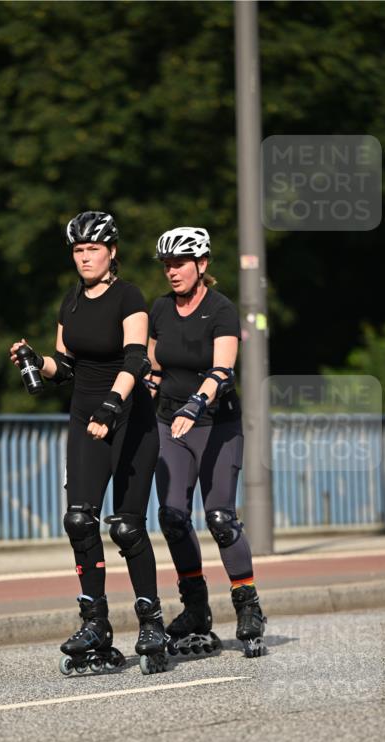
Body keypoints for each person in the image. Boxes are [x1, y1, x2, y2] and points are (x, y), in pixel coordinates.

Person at [10, 211, 168, 675]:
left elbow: (137, 358)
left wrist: (112, 406)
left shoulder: (129, 296)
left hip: (130, 419)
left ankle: (151, 621)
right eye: (78, 251)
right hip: (86, 417)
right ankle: (95, 623)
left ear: (112, 251)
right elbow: (67, 366)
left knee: (127, 527)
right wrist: (35, 361)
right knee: (79, 521)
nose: (85, 258)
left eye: (93, 249)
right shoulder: (71, 301)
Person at [146, 226, 267, 657]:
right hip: (170, 425)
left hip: (216, 425)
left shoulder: (221, 309)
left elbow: (223, 371)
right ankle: (195, 607)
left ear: (202, 265)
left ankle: (248, 606)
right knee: (173, 516)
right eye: (166, 265)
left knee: (219, 517)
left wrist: (196, 404)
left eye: (179, 263)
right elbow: (154, 369)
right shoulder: (159, 310)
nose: (172, 271)